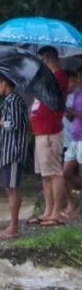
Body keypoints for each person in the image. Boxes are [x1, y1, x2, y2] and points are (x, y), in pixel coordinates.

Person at [28, 46, 69, 227]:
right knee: (45, 174)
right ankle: (48, 209)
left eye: (42, 60)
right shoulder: (47, 78)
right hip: (40, 130)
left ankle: (57, 212)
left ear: (48, 58)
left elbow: (51, 96)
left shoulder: (59, 77)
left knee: (54, 172)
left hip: (50, 130)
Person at [0, 74, 30, 238]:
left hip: (13, 152)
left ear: (5, 84)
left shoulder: (14, 101)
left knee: (12, 188)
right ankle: (13, 224)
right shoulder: (9, 101)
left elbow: (14, 124)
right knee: (9, 188)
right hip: (8, 152)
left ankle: (14, 227)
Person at [62, 70, 82, 217]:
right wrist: (67, 113)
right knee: (65, 173)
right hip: (74, 139)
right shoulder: (76, 96)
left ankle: (80, 210)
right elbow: (72, 118)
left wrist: (73, 112)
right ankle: (74, 202)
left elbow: (77, 114)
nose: (79, 80)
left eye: (80, 77)